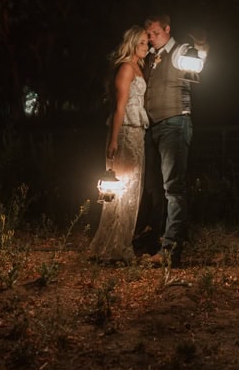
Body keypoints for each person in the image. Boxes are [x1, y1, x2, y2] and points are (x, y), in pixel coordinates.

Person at [140, 13, 207, 266]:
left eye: (155, 33)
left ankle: (171, 250)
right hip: (153, 126)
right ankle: (156, 240)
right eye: (149, 34)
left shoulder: (179, 51)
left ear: (167, 29)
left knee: (173, 188)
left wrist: (201, 48)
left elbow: (199, 67)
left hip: (175, 123)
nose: (152, 38)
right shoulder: (150, 57)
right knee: (154, 188)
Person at [88, 25, 150, 264]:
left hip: (137, 133)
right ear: (133, 43)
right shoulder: (126, 68)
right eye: (142, 42)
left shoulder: (139, 67)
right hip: (125, 132)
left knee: (133, 189)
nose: (146, 47)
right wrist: (113, 139)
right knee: (123, 189)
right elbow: (120, 106)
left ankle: (117, 244)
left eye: (147, 42)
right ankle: (117, 248)